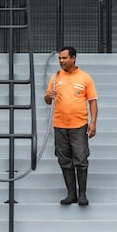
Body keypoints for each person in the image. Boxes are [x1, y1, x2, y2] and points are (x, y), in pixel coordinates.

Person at [44, 47, 98, 206]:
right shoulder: (55, 78)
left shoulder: (85, 78)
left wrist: (93, 123)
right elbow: (47, 100)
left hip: (79, 126)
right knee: (64, 159)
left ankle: (82, 194)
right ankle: (71, 194)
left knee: (81, 159)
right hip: (59, 125)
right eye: (60, 58)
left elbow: (93, 102)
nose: (61, 61)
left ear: (73, 58)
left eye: (64, 58)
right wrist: (48, 96)